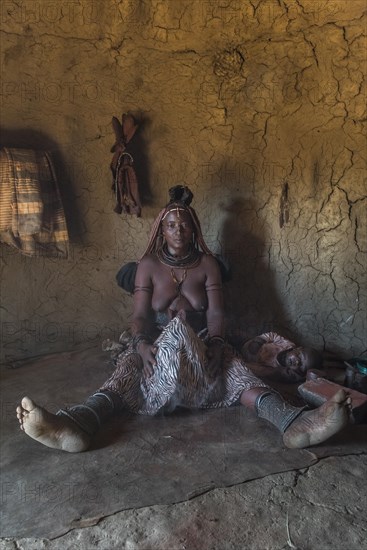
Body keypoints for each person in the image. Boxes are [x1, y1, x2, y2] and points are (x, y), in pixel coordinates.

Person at [16, 186, 351, 453]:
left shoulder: (207, 264)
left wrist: (218, 345)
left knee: (237, 372)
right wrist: (141, 343)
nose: (178, 231)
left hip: (204, 340)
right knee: (129, 370)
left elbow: (217, 312)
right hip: (158, 342)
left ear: (194, 229)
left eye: (185, 225)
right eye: (171, 225)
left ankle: (294, 423)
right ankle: (77, 423)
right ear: (161, 229)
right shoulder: (147, 266)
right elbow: (139, 316)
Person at [241, 332, 323, 383]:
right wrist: (260, 341)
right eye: (299, 356)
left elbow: (262, 371)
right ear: (297, 348)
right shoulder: (287, 344)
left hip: (246, 361)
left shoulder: (278, 369)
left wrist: (244, 365)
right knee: (243, 337)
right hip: (252, 345)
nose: (297, 362)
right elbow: (272, 335)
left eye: (301, 365)